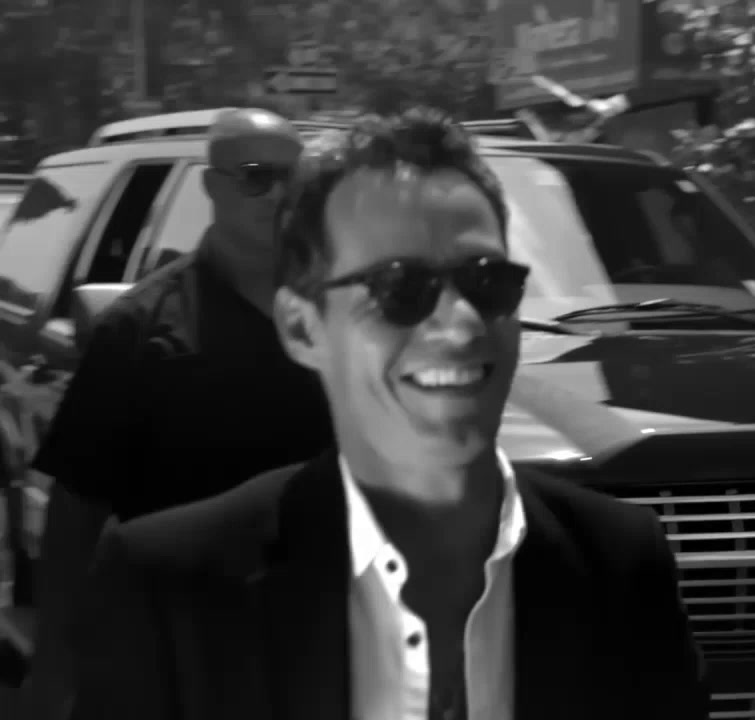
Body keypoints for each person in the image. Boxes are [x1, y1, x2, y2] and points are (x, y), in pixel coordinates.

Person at [67, 107, 708, 720]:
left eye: (489, 282)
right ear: (303, 327)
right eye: (401, 288)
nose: (460, 324)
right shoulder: (169, 587)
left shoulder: (620, 562)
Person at [19, 108, 334, 719]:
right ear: (211, 185)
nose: (279, 195)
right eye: (257, 177)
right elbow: (77, 506)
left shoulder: (346, 314)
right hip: (183, 651)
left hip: (317, 642)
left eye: (293, 180)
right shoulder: (141, 328)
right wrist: (57, 663)